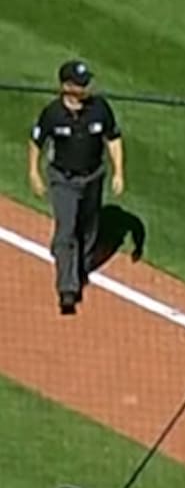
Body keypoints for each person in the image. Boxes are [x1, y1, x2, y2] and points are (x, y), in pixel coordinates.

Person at [26, 60, 125, 315]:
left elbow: (113, 139)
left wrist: (118, 173)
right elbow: (36, 142)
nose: (86, 88)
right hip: (63, 179)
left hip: (94, 176)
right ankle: (67, 288)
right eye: (81, 84)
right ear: (67, 87)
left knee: (89, 228)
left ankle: (80, 265)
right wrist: (34, 173)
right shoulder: (53, 113)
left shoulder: (99, 108)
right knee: (66, 229)